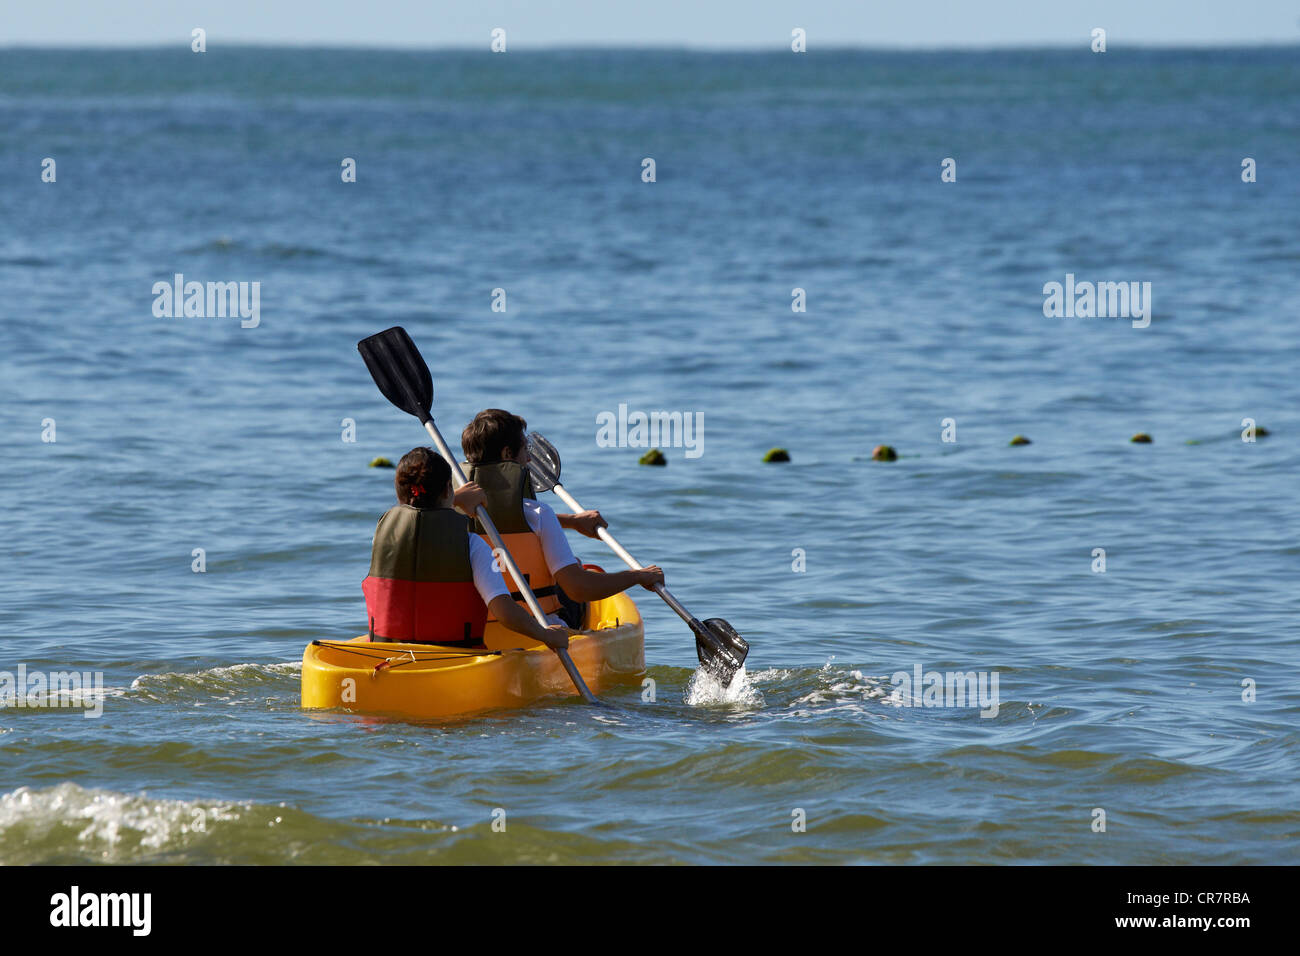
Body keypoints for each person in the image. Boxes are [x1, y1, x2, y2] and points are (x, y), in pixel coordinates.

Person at [460, 408, 664, 625]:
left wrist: (572, 521)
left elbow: (503, 522)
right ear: (507, 454)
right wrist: (637, 576)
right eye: (525, 449)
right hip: (541, 629)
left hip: (471, 635)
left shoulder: (448, 513)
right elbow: (578, 588)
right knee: (572, 571)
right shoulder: (539, 514)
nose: (529, 457)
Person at [362, 447, 571, 649]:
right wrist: (546, 635)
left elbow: (420, 519)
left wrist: (456, 499)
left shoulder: (381, 537)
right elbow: (504, 611)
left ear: (399, 494)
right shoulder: (472, 544)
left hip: (389, 655)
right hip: (452, 659)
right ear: (447, 490)